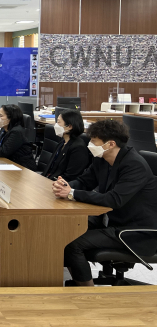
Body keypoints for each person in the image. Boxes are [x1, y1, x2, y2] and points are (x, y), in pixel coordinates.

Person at [53, 120, 157, 286]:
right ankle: (78, 280)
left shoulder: (134, 164)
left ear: (110, 144)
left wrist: (72, 194)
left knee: (72, 243)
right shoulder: (102, 158)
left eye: (94, 141)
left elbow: (114, 199)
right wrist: (66, 186)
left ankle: (87, 293)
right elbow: (85, 181)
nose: (90, 144)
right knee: (65, 230)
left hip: (134, 231)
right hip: (112, 219)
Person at [43, 110, 90, 182]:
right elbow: (51, 167)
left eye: (58, 122)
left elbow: (71, 176)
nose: (56, 125)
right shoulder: (63, 142)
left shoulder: (78, 148)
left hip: (61, 186)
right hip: (49, 180)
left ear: (69, 127)